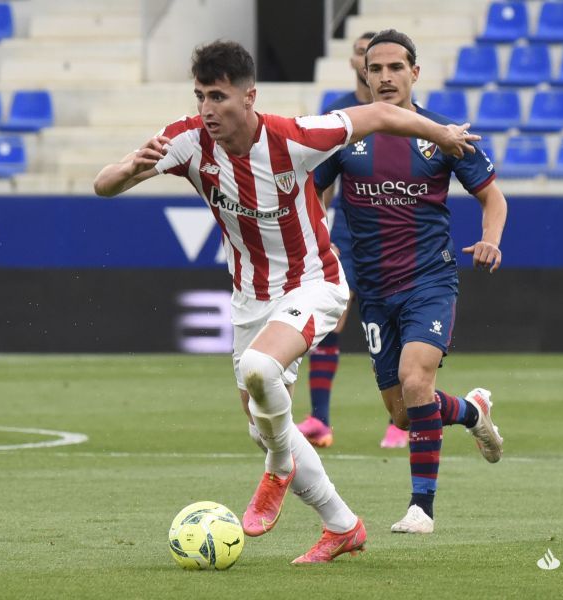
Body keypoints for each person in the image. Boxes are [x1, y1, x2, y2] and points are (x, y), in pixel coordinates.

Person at [93, 40, 479, 562]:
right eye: (201, 96)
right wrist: (129, 169)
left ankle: (278, 471)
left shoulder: (295, 137)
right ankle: (342, 525)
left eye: (219, 98)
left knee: (259, 370)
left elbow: (382, 113)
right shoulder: (185, 140)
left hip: (313, 283)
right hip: (249, 298)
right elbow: (104, 185)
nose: (208, 110)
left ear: (248, 97)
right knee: (261, 422)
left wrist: (443, 134)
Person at [314, 29, 507, 535]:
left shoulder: (442, 132)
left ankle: (422, 508)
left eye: (394, 68)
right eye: (374, 70)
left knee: (418, 381)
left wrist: (491, 238)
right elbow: (308, 193)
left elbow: (493, 197)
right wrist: (313, 242)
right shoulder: (345, 135)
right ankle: (471, 410)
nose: (383, 77)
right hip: (374, 290)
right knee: (404, 414)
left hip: (429, 278)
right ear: (364, 76)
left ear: (413, 74)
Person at [295, 31, 410, 450]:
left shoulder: (405, 113)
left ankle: (401, 420)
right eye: (365, 58)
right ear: (356, 65)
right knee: (331, 321)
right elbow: (319, 179)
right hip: (347, 234)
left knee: (400, 330)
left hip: (397, 239)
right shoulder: (338, 112)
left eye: (383, 62)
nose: (376, 69)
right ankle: (320, 420)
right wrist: (323, 231)